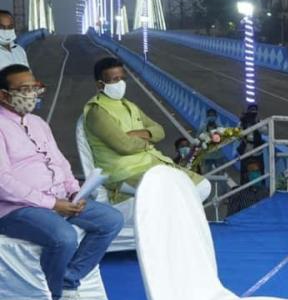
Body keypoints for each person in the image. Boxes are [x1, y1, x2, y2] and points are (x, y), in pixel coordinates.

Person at [0, 64, 123, 300]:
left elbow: (60, 161)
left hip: (58, 199)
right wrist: (53, 204)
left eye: (34, 88)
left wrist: (72, 191)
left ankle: (67, 281)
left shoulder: (38, 123)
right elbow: (3, 183)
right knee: (63, 237)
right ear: (3, 95)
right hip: (15, 210)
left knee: (111, 220)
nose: (32, 94)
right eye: (24, 89)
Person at [83, 57, 211, 203]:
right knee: (175, 195)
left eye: (122, 78)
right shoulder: (97, 112)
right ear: (100, 85)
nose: (120, 83)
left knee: (203, 186)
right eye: (114, 80)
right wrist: (147, 143)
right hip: (123, 174)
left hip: (152, 165)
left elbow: (159, 130)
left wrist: (138, 134)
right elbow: (124, 146)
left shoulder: (129, 105)